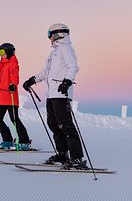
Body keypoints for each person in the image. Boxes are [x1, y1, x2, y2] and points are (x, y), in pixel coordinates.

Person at [22, 23, 86, 168]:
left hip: (61, 94)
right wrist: (32, 80)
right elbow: (46, 72)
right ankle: (62, 154)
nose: (49, 38)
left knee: (66, 126)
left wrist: (67, 82)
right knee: (53, 124)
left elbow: (73, 66)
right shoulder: (54, 52)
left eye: (49, 34)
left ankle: (77, 158)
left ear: (56, 34)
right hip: (51, 95)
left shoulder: (66, 48)